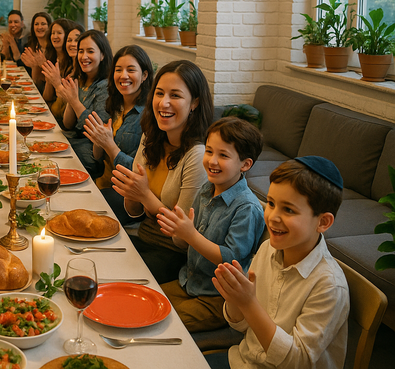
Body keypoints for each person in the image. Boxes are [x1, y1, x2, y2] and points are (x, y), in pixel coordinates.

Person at [207, 156, 349, 369]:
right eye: (271, 203)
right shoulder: (267, 249)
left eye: (289, 210)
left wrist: (248, 303)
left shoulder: (328, 285)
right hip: (243, 361)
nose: (273, 216)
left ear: (323, 221)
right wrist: (235, 299)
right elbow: (243, 326)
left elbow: (297, 362)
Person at [156, 117, 265, 333]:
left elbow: (230, 258)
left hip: (217, 299)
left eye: (223, 155)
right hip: (187, 282)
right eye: (209, 151)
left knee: (163, 324)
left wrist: (190, 235)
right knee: (146, 301)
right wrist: (179, 230)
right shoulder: (207, 188)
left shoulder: (247, 207)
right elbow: (188, 232)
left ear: (245, 164)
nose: (212, 161)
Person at [110, 60, 212, 284]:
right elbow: (133, 211)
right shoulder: (151, 136)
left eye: (175, 95)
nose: (163, 103)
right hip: (143, 236)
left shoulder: (197, 155)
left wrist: (145, 195)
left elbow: (182, 240)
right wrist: (132, 192)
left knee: (112, 278)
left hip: (173, 256)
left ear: (194, 102)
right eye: (159, 93)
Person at [83, 45, 153, 222]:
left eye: (131, 70)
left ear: (144, 75)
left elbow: (138, 173)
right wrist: (98, 141)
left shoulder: (149, 115)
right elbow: (98, 158)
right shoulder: (115, 105)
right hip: (103, 182)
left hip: (127, 198)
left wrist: (109, 145)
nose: (123, 76)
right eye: (118, 70)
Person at [54, 30, 112, 174]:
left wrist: (74, 101)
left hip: (90, 153)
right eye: (81, 51)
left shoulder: (106, 86)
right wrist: (71, 99)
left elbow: (96, 131)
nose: (84, 56)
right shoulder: (82, 79)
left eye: (90, 51)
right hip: (75, 141)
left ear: (103, 55)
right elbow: (68, 124)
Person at [41, 22, 83, 123]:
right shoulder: (68, 68)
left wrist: (57, 83)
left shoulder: (82, 72)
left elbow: (64, 117)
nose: (72, 44)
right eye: (69, 40)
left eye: (76, 40)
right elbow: (47, 98)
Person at [24, 18, 71, 93]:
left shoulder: (71, 61)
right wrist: (35, 66)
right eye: (53, 33)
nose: (55, 36)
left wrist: (45, 66)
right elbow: (41, 89)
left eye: (59, 33)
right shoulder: (51, 56)